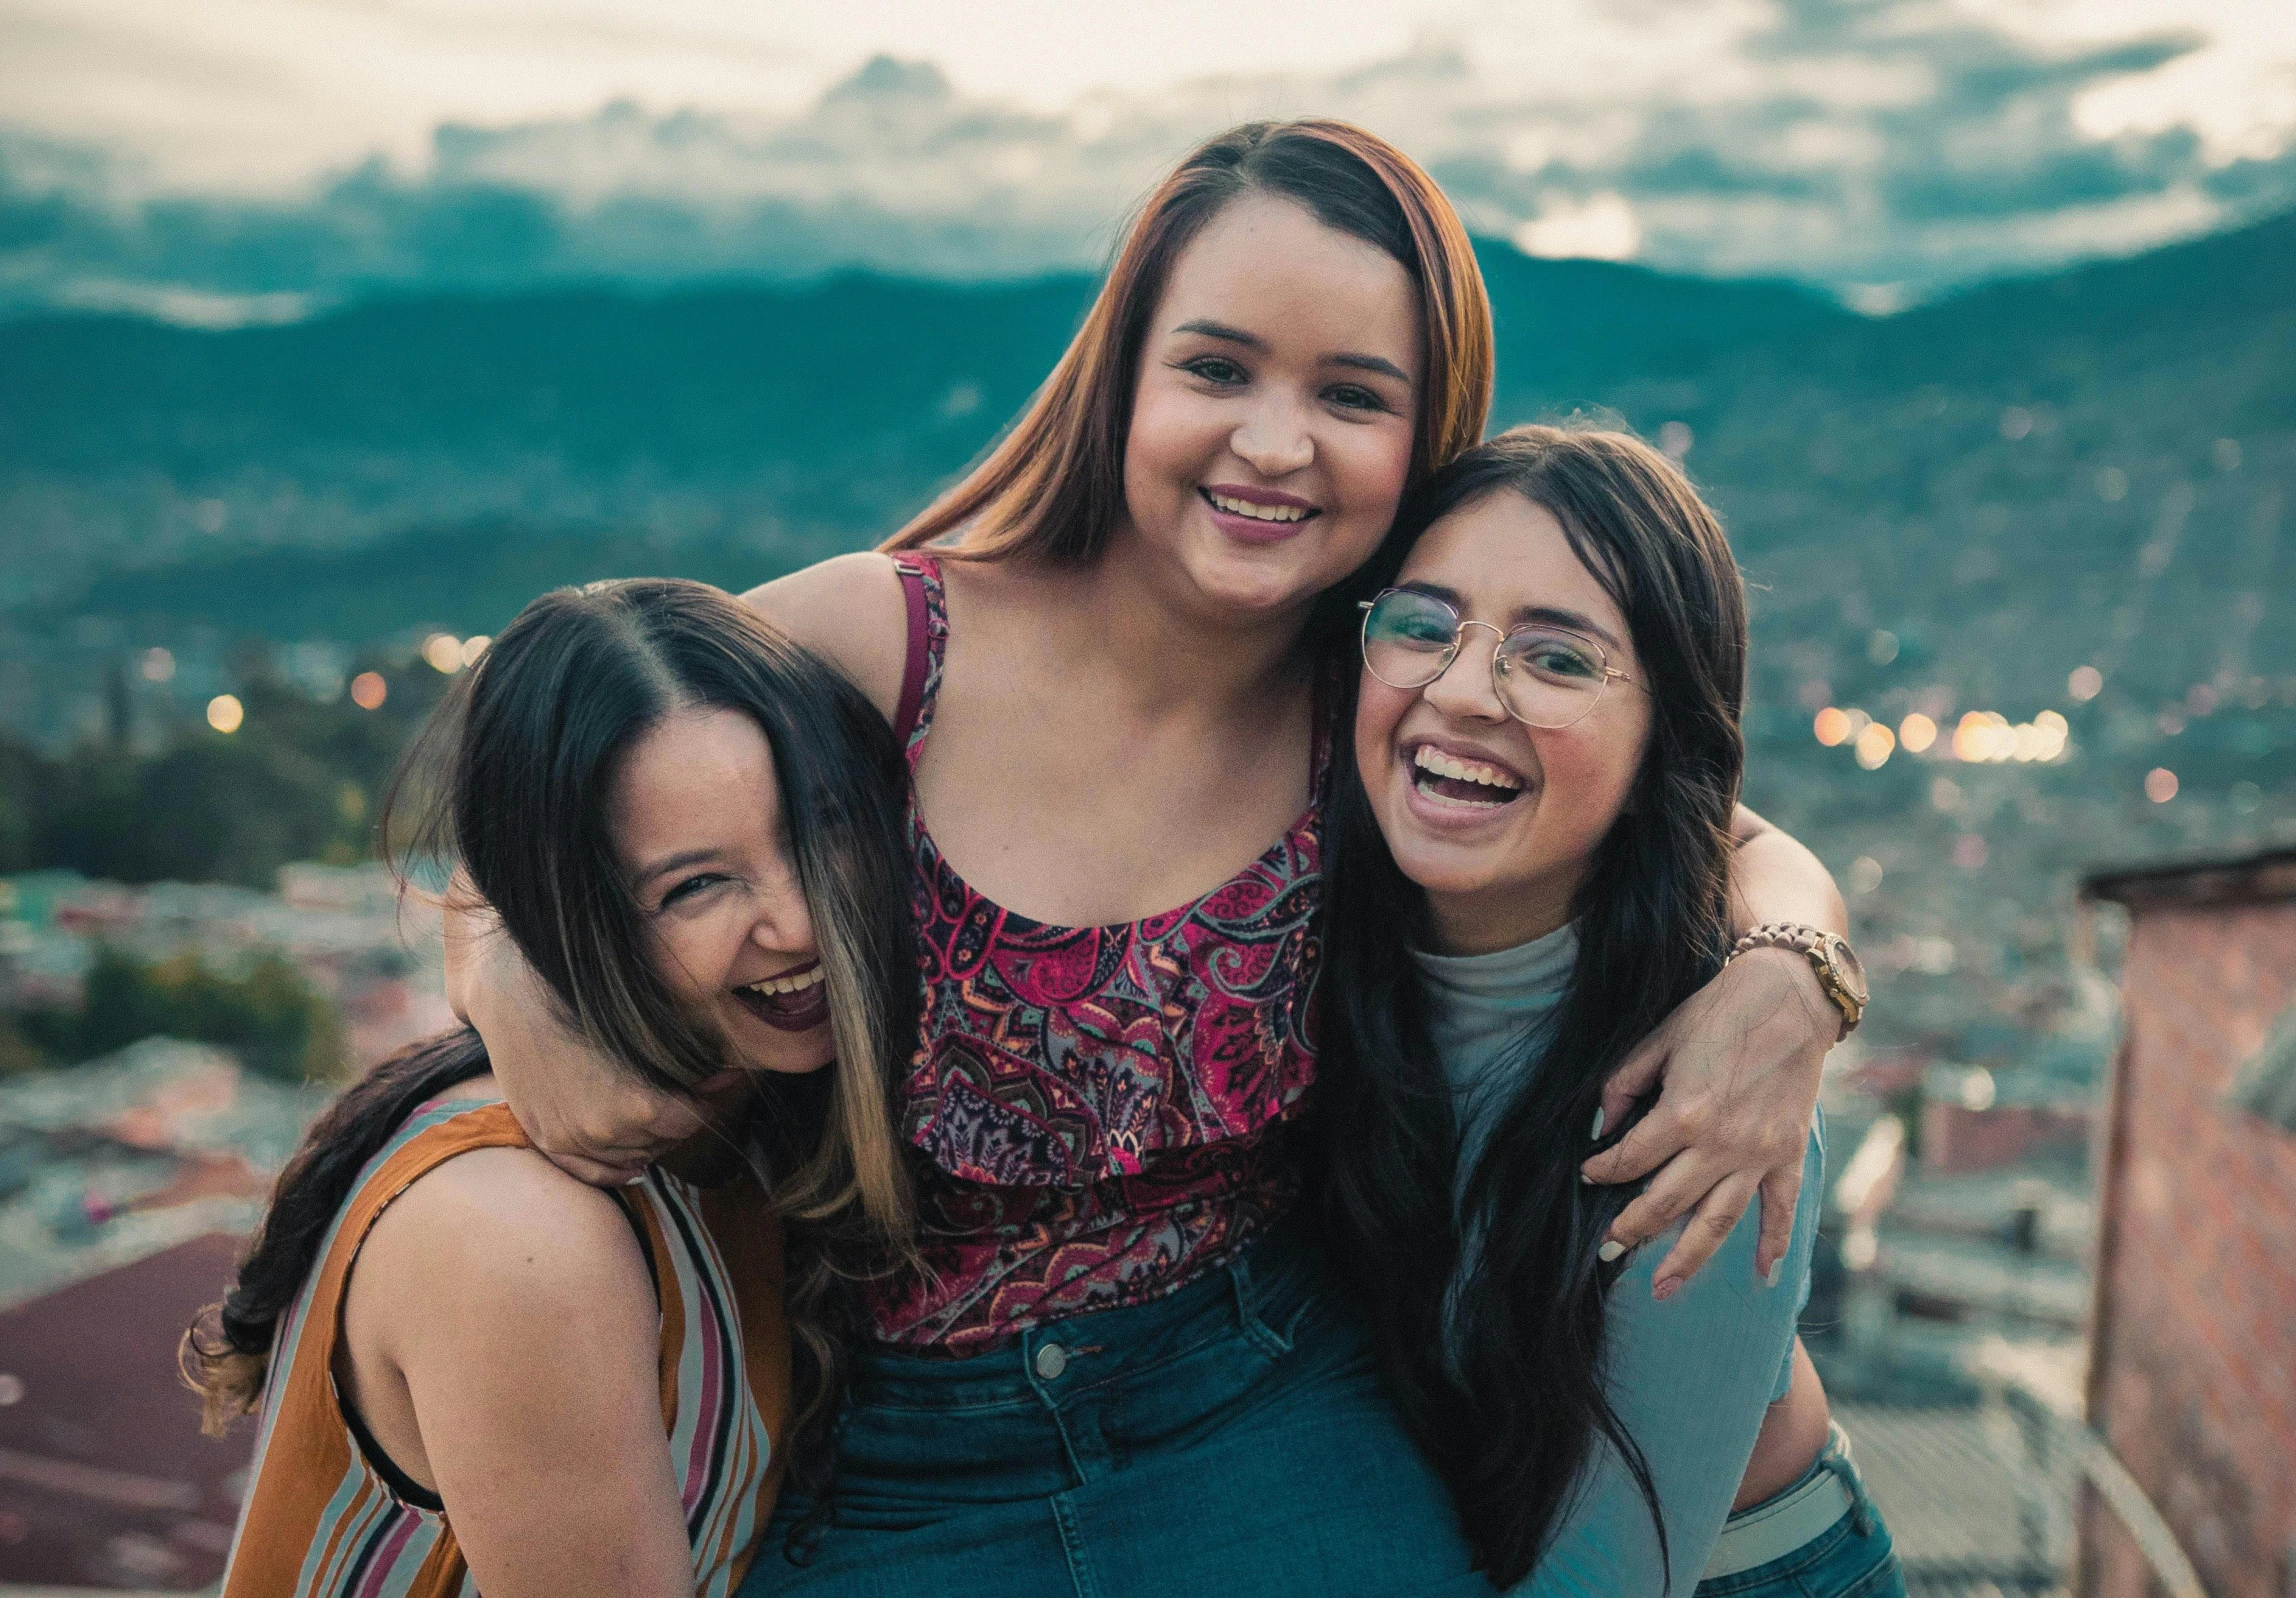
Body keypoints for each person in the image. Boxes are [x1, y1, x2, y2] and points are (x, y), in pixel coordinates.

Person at [451, 122, 1852, 1597]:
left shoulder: (1380, 696)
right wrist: (517, 989)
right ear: (1122, 376)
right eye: (1217, 369)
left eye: (1352, 395)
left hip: (1266, 1404)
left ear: (1423, 442)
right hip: (899, 1460)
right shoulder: (887, 645)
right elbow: (532, 810)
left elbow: (1704, 823)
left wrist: (1791, 977)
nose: (1272, 441)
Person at [189, 579, 918, 1598]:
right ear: (569, 916)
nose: (797, 921)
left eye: (821, 827)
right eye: (696, 884)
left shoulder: (736, 1120)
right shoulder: (525, 1236)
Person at [1320, 424, 1901, 1598]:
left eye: (1558, 660)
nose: (1462, 689)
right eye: (1425, 624)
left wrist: (1794, 966)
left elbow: (1599, 1577)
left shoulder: (1709, 1078)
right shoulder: (1299, 921)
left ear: (1663, 741)